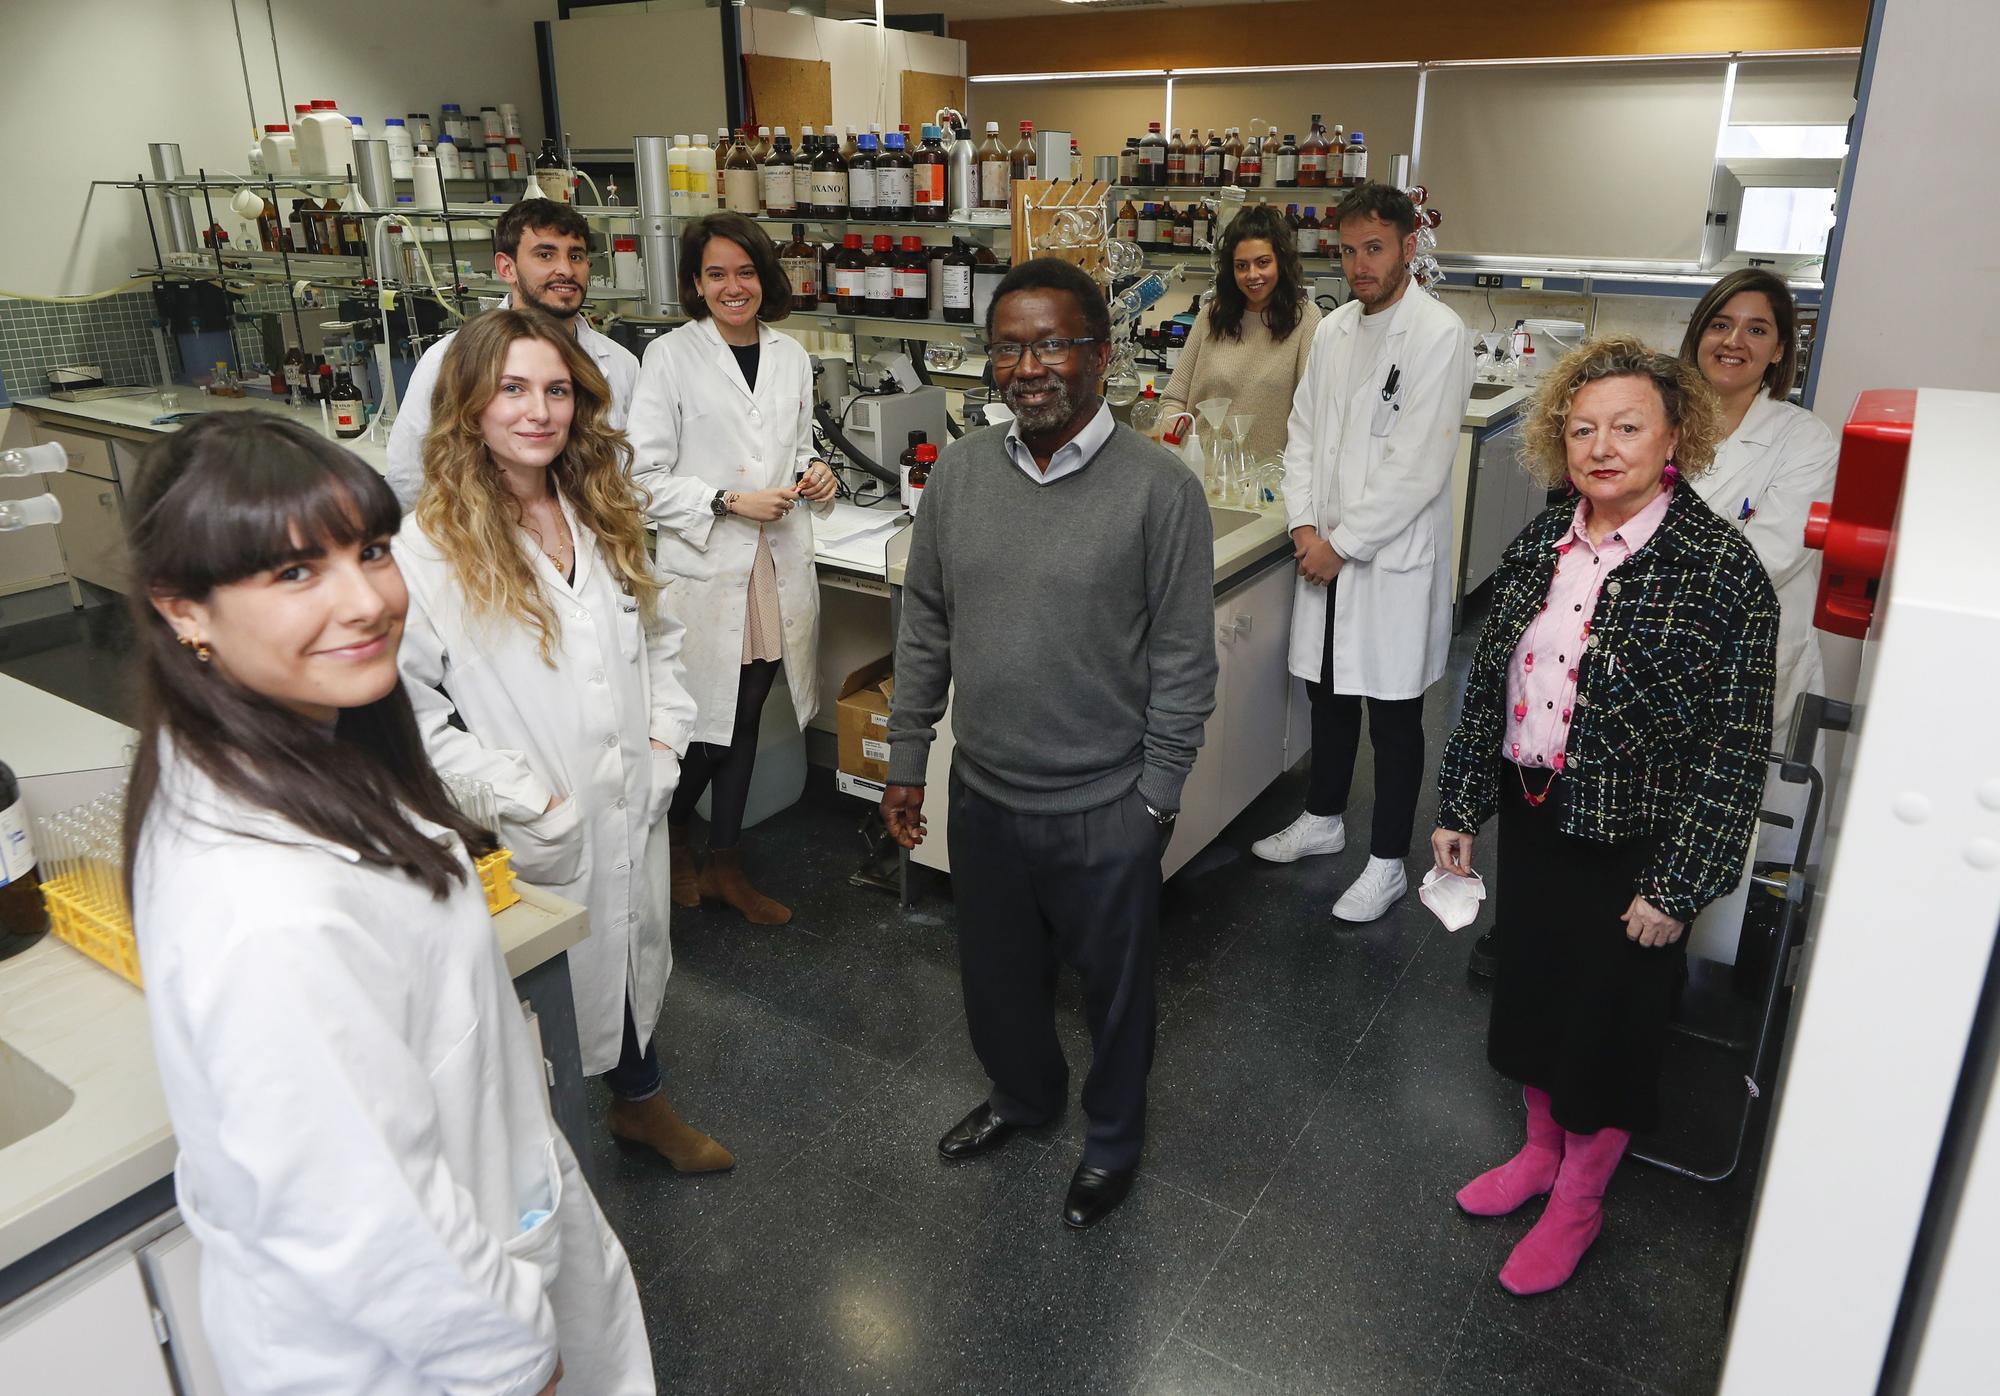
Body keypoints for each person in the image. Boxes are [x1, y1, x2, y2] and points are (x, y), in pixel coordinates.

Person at [126, 412, 653, 1394]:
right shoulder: (262, 903)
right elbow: (356, 1215)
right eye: (294, 573)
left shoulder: (282, 746)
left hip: (480, 1251)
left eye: (370, 550)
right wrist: (513, 1365)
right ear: (184, 609)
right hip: (417, 1356)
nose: (366, 599)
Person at [1431, 338, 1778, 1295]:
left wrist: (1682, 882)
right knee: (1537, 996)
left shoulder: (1720, 567)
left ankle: (1579, 1202)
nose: (1602, 445)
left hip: (1641, 845)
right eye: (1582, 428)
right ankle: (1541, 1156)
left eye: (1628, 426)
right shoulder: (1542, 540)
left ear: (1675, 435)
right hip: (1540, 816)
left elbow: (1735, 747)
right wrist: (1461, 801)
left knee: (1610, 1027)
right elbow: (1492, 685)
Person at [880, 258, 1217, 1231]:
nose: (1026, 366)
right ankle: (1025, 1099)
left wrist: (1151, 800)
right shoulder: (961, 475)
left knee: (1115, 997)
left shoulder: (1158, 490)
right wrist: (909, 759)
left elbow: (1185, 660)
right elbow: (927, 622)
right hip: (983, 790)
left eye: (1051, 343)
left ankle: (1111, 1137)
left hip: (1102, 804)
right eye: (1008, 346)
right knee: (993, 979)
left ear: (1101, 356)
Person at [395, 308, 732, 1175]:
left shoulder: (600, 511)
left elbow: (656, 641)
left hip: (633, 794)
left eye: (555, 391)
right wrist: (521, 797)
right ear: (468, 406)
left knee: (626, 961)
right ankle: (552, 1161)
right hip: (535, 821)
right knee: (540, 1011)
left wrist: (664, 745)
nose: (538, 411)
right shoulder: (427, 550)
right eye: (511, 390)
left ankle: (642, 1105)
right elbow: (403, 715)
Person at [1252, 183, 1474, 924]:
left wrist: (1342, 544)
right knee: (1329, 692)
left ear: (1409, 247)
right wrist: (1304, 527)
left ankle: (1385, 862)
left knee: (1395, 714)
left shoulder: (1439, 334)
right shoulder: (1336, 330)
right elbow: (1303, 436)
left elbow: (1418, 464)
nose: (1358, 264)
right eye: (1347, 250)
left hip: (1385, 560)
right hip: (1328, 552)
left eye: (1373, 248)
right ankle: (1322, 820)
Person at [625, 211, 838, 925]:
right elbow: (640, 477)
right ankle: (675, 836)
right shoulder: (670, 357)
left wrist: (818, 473)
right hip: (712, 562)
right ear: (696, 283)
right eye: (716, 274)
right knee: (709, 728)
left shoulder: (790, 354)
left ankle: (721, 862)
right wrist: (725, 499)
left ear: (764, 277)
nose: (732, 286)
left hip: (774, 562)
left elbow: (797, 444)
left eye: (745, 272)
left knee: (744, 719)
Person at [1681, 267, 1838, 856]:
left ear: (1777, 352)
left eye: (1756, 330)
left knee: (1747, 850)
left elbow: (1764, 557)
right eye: (1721, 324)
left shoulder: (1805, 440)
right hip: (1651, 656)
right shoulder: (1656, 419)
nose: (1734, 342)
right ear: (1699, 333)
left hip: (1748, 657)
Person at [386, 198, 639, 508]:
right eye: (545, 255)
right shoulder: (448, 359)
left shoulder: (622, 363)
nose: (566, 270)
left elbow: (632, 473)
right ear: (507, 268)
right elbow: (409, 478)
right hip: (482, 544)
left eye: (576, 255)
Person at [1158, 202, 1323, 463]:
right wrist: (1173, 445)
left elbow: (1313, 413)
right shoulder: (1211, 317)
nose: (1252, 275)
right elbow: (1175, 399)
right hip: (1200, 476)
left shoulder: (1305, 319)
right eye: (1241, 266)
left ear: (1281, 262)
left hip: (1265, 487)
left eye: (1263, 262)